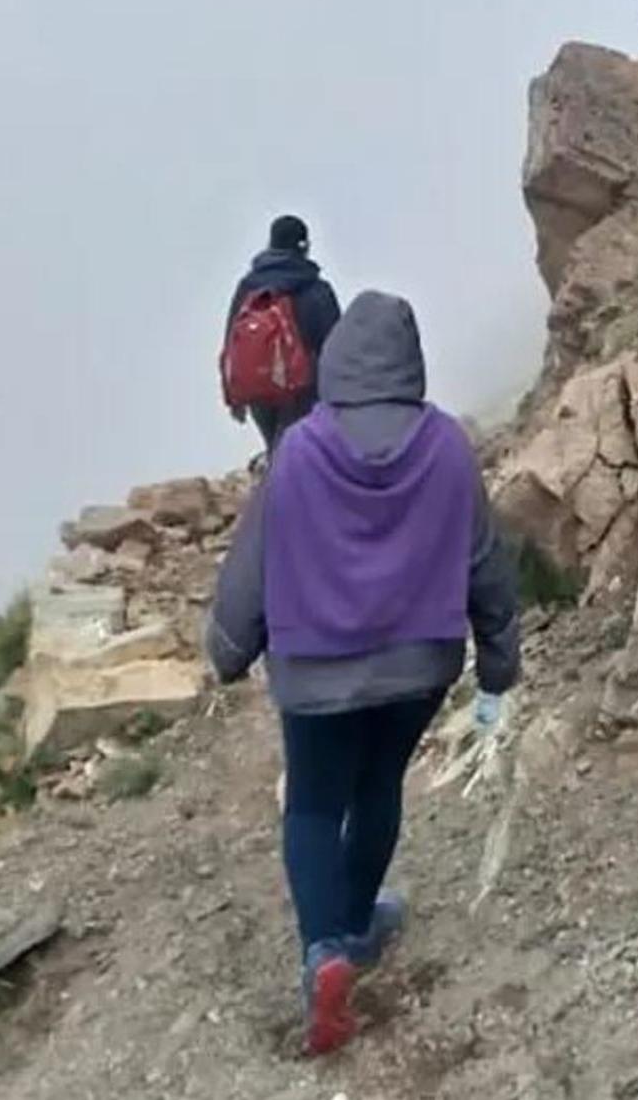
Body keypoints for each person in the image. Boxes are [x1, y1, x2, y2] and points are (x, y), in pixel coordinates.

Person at [205, 290, 520, 1056]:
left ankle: (325, 952)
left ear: (337, 360)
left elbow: (252, 565)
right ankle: (355, 923)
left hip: (316, 670)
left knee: (313, 806)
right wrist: (498, 669)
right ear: (411, 361)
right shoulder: (447, 444)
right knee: (377, 787)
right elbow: (486, 563)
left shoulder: (301, 452)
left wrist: (226, 648)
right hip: (420, 664)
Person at [225, 215, 343, 452]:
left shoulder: (248, 286)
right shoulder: (316, 289)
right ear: (304, 246)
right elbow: (335, 347)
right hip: (302, 390)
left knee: (276, 449)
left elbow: (231, 339)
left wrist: (232, 395)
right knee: (295, 452)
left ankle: (274, 480)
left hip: (257, 387)